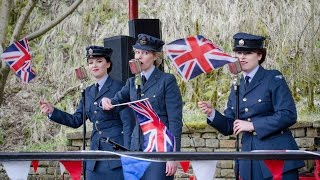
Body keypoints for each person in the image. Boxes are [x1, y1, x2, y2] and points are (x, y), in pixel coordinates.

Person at [198, 32, 304, 180]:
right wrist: (212, 113)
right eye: (239, 52)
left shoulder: (273, 78)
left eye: (248, 53)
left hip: (277, 159)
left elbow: (288, 114)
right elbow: (231, 126)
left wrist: (252, 125)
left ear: (259, 55)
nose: (241, 57)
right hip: (250, 162)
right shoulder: (237, 85)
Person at [40, 45, 135, 180]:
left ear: (108, 64)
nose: (94, 65)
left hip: (116, 155)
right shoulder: (88, 92)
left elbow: (128, 123)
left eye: (99, 61)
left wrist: (128, 155)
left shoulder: (120, 87)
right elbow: (76, 120)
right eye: (90, 62)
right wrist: (52, 111)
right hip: (94, 158)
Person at [101, 33, 183, 180]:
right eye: (137, 52)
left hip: (159, 149)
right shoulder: (132, 83)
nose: (139, 57)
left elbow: (175, 120)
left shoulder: (166, 81)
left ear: (155, 56)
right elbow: (116, 103)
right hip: (136, 148)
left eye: (145, 53)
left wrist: (173, 155)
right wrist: (106, 102)